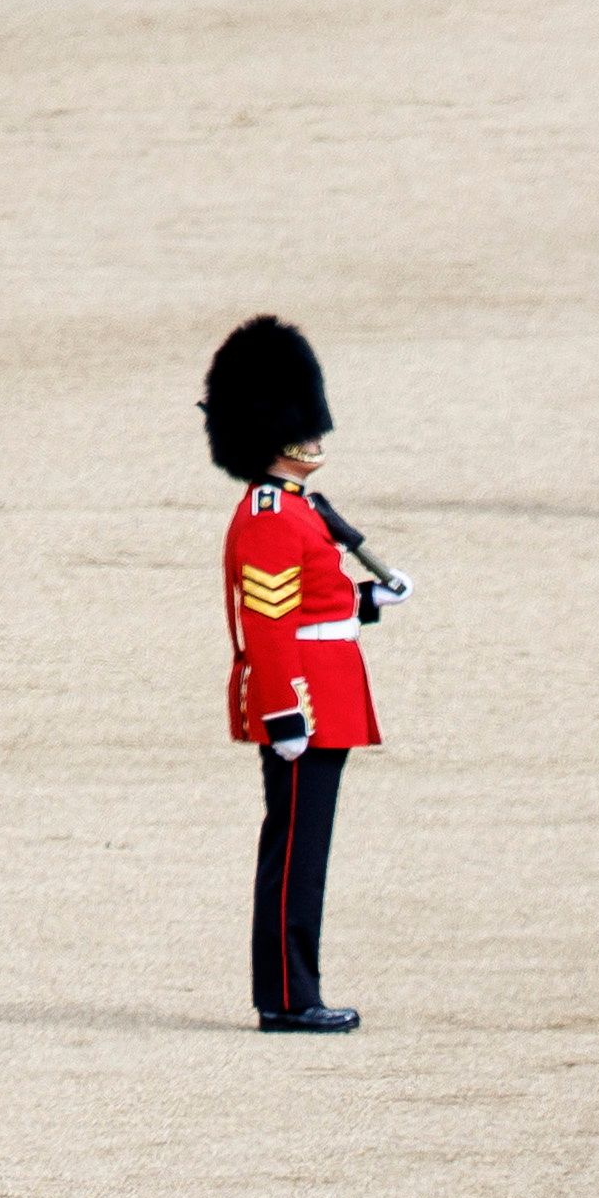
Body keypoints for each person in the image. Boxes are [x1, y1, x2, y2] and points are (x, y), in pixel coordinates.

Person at [206, 309, 387, 1034]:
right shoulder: (272, 515)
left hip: (326, 693)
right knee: (296, 857)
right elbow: (268, 624)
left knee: (306, 853)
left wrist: (369, 599)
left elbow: (313, 602)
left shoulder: (292, 508)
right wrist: (284, 713)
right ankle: (287, 995)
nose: (315, 438)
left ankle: (294, 989)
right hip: (305, 704)